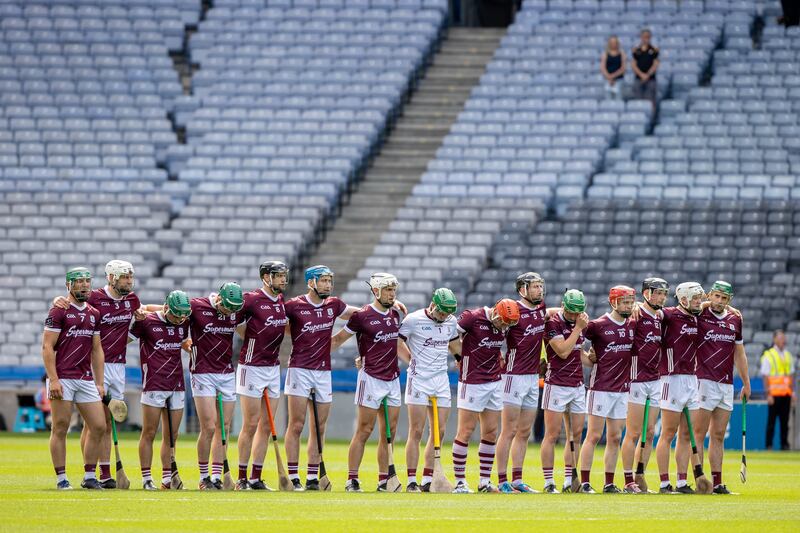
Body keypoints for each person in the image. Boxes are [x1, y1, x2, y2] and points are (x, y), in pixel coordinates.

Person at [282, 265, 405, 491]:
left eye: (330, 281)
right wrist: (300, 336)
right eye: (324, 281)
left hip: (323, 371)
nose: (329, 285)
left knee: (319, 426)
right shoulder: (294, 305)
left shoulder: (334, 304)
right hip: (300, 368)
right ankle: (293, 476)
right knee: (297, 424)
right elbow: (276, 323)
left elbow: (358, 313)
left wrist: (386, 306)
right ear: (311, 283)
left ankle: (311, 477)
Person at [52, 259, 142, 488]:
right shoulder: (93, 297)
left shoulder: (132, 300)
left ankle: (103, 472)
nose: (129, 281)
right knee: (94, 422)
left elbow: (143, 311)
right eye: (124, 277)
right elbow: (70, 303)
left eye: (130, 277)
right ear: (111, 278)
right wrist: (57, 299)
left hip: (118, 366)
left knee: (107, 421)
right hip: (93, 365)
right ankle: (91, 472)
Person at [331, 274, 403, 492]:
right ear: (376, 291)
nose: (392, 294)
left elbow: (397, 344)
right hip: (370, 378)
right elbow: (337, 339)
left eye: (394, 290)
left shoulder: (396, 315)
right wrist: (314, 355)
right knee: (364, 430)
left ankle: (384, 480)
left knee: (387, 433)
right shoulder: (362, 316)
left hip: (393, 379)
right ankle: (352, 479)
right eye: (388, 290)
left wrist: (414, 361)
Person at [42, 267, 106, 490]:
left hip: (85, 378)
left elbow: (97, 350)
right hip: (63, 377)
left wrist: (99, 382)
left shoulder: (94, 313)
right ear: (68, 285)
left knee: (98, 426)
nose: (84, 285)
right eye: (78, 282)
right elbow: (47, 347)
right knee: (60, 427)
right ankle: (61, 478)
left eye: (87, 281)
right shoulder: (58, 310)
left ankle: (89, 476)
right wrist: (54, 379)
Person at [451, 299, 520, 493]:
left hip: (494, 381)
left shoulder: (506, 322)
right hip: (472, 380)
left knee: (490, 431)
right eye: (504, 322)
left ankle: (484, 481)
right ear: (496, 313)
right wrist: (459, 357)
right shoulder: (472, 317)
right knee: (466, 430)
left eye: (509, 324)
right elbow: (450, 335)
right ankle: (460, 481)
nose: (505, 327)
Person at [398, 288, 461, 492]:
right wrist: (410, 359)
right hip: (418, 380)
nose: (443, 317)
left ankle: (427, 478)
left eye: (447, 314)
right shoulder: (413, 320)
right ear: (433, 305)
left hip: (441, 380)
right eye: (441, 312)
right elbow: (397, 342)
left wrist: (460, 359)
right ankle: (410, 480)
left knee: (439, 432)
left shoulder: (450, 322)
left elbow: (454, 345)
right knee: (416, 430)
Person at [235, 261, 289, 490]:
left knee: (267, 425)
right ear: (265, 277)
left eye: (284, 276)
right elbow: (235, 322)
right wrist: (252, 338)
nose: (283, 280)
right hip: (251, 367)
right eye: (278, 276)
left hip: (272, 367)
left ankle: (256, 477)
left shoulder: (280, 301)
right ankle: (241, 477)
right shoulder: (251, 299)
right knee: (250, 424)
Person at [129, 290, 191, 490]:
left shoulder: (183, 322)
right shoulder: (147, 322)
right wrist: (139, 314)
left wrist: (187, 345)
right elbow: (127, 338)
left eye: (183, 315)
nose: (179, 319)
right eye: (176, 315)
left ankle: (166, 478)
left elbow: (182, 339)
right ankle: (147, 478)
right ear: (166, 308)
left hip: (177, 384)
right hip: (154, 384)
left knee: (172, 436)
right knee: (148, 432)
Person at [693, 281, 751, 494]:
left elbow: (740, 352)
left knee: (717, 435)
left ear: (729, 300)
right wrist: (706, 303)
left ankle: (717, 483)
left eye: (723, 298)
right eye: (716, 296)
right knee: (698, 434)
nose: (719, 301)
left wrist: (746, 382)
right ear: (710, 295)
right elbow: (688, 307)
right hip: (703, 381)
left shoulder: (735, 318)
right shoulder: (700, 314)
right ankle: (700, 481)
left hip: (725, 384)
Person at [185, 283, 243, 490]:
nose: (229, 312)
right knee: (208, 427)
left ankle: (217, 476)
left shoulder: (235, 310)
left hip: (226, 373)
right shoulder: (197, 306)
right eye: (227, 307)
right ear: (219, 299)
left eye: (233, 309)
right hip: (202, 373)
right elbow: (173, 313)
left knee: (224, 427)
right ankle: (204, 476)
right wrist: (145, 310)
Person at [579, 286, 636, 494]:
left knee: (614, 438)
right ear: (613, 303)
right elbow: (576, 338)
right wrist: (586, 358)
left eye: (631, 302)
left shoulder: (633, 325)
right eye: (625, 302)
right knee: (593, 436)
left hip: (622, 389)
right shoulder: (598, 325)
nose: (629, 306)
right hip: (601, 388)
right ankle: (584, 482)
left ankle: (609, 483)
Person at [496, 272, 547, 494]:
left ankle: (517, 480)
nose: (539, 290)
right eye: (535, 286)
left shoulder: (542, 308)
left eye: (540, 286)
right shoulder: (512, 310)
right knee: (508, 430)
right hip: (513, 377)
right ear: (522, 289)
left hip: (532, 377)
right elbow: (496, 330)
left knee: (524, 432)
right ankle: (501, 480)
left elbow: (547, 316)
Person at [539, 289, 592, 493]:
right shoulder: (553, 323)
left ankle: (570, 480)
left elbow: (578, 354)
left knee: (576, 435)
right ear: (563, 306)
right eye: (570, 312)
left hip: (577, 385)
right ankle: (548, 481)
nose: (573, 316)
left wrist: (592, 359)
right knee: (552, 435)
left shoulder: (580, 322)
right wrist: (578, 328)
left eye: (577, 313)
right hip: (556, 384)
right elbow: (562, 351)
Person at [620, 277, 668, 493]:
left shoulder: (661, 316)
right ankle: (628, 479)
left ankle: (640, 476)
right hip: (636, 380)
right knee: (633, 433)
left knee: (649, 433)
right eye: (658, 293)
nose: (662, 297)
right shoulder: (635, 314)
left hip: (655, 380)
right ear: (647, 293)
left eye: (664, 293)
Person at [655, 282, 703, 494]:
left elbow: (712, 305)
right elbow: (649, 312)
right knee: (668, 433)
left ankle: (682, 482)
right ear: (683, 299)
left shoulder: (696, 315)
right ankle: (665, 483)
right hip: (671, 380)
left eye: (700, 299)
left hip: (692, 380)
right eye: (695, 299)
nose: (699, 302)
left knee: (687, 434)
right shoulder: (669, 315)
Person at [761, 329, 795, 450]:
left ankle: (784, 445)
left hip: (786, 394)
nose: (783, 341)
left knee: (785, 423)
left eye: (783, 338)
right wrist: (768, 394)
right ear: (774, 339)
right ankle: (769, 445)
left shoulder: (787, 355)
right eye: (780, 338)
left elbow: (791, 375)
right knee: (771, 422)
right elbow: (765, 375)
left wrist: (793, 392)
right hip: (774, 394)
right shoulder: (769, 355)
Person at [631, 28, 659, 109]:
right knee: (637, 102)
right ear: (641, 37)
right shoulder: (636, 50)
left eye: (647, 37)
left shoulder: (654, 50)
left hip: (650, 79)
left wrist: (647, 75)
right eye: (644, 37)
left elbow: (656, 64)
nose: (645, 39)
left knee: (650, 102)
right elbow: (633, 64)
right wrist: (641, 74)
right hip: (638, 79)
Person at [600, 35, 626, 100]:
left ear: (617, 43)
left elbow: (623, 68)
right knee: (608, 100)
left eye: (615, 42)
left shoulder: (622, 53)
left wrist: (613, 77)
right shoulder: (605, 54)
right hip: (607, 80)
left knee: (618, 99)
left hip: (619, 80)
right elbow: (602, 68)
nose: (613, 44)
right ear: (609, 43)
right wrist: (609, 78)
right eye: (612, 42)